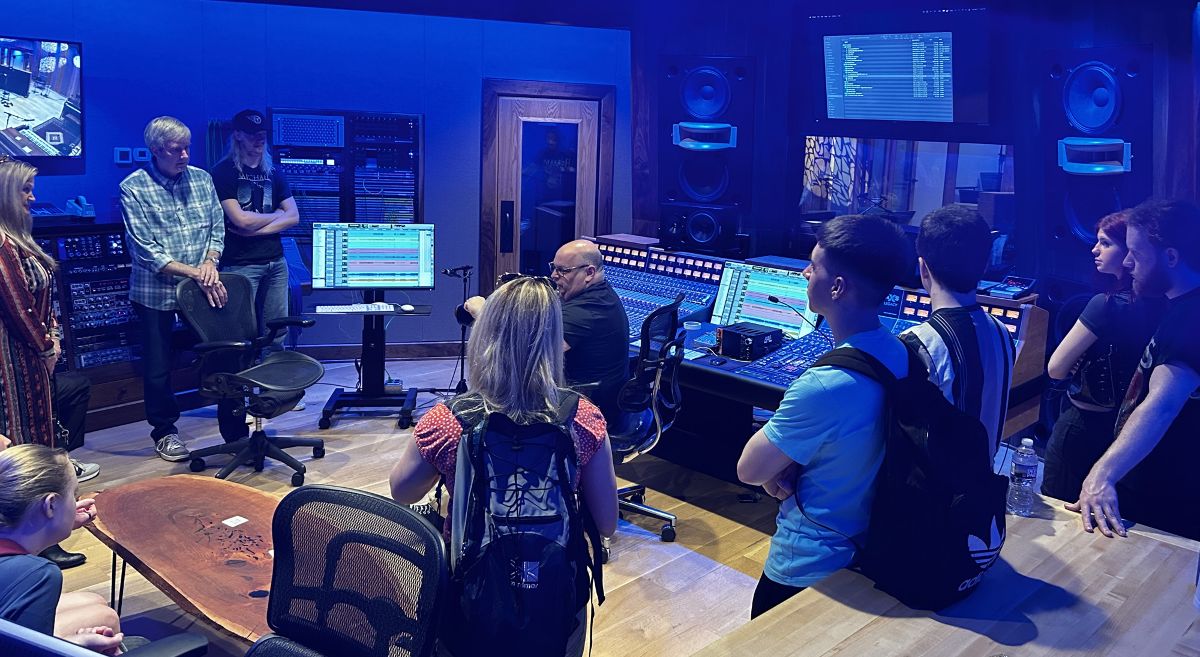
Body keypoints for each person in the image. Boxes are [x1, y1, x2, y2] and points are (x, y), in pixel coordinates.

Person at [390, 275, 617, 656]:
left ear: (485, 337)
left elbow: (402, 492)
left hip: (469, 590)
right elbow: (607, 523)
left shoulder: (450, 419)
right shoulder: (584, 418)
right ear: (552, 343)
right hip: (556, 589)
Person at [736, 214, 912, 618]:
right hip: (871, 550)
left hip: (808, 564)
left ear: (837, 287)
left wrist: (781, 469)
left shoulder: (825, 386)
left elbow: (749, 468)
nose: (804, 272)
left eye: (814, 266)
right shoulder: (902, 352)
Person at [1069, 199, 1200, 541]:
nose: (1127, 263)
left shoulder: (1190, 319)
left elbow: (1161, 405)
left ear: (1171, 257)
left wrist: (1102, 475)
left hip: (1163, 499)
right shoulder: (1179, 307)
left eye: (1137, 254)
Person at [0, 155, 92, 569]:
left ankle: (42, 536)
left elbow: (40, 305)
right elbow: (18, 308)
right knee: (25, 447)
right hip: (15, 364)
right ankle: (28, 541)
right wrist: (47, 347)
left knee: (40, 438)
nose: (32, 198)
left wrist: (50, 338)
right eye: (25, 190)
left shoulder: (17, 239)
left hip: (33, 361)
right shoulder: (1, 244)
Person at [120, 116, 226, 462]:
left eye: (187, 147)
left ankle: (233, 424)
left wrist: (210, 263)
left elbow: (216, 228)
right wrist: (197, 272)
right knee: (158, 366)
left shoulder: (202, 179)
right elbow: (146, 252)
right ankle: (165, 432)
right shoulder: (133, 187)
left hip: (201, 285)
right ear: (155, 151)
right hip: (156, 291)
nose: (184, 155)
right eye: (175, 149)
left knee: (222, 350)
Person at [1042, 210, 1164, 502]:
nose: (1094, 249)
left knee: (1060, 508)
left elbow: (1056, 368)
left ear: (1128, 252)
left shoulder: (1104, 305)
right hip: (1132, 436)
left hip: (1082, 426)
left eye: (1105, 243)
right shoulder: (1167, 306)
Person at [464, 240, 630, 422]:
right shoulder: (600, 294)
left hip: (587, 408)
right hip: (593, 398)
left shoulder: (585, 312)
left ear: (589, 272)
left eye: (563, 271)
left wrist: (484, 313)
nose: (553, 276)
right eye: (554, 267)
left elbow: (525, 353)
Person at [901, 205, 1015, 461]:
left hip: (929, 496)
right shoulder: (1003, 334)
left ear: (923, 269)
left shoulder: (916, 342)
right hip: (983, 487)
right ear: (984, 265)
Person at [0, 443, 127, 654]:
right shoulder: (38, 575)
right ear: (50, 505)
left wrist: (61, 520)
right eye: (73, 493)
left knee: (93, 602)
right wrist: (75, 645)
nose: (76, 499)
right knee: (105, 619)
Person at [210, 109, 299, 356]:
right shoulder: (223, 172)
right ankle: (243, 386)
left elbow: (294, 216)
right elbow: (240, 220)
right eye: (252, 135)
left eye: (262, 135)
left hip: (276, 263)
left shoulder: (274, 172)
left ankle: (273, 387)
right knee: (241, 330)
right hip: (240, 265)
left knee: (277, 329)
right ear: (237, 135)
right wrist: (276, 216)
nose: (259, 140)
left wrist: (254, 228)